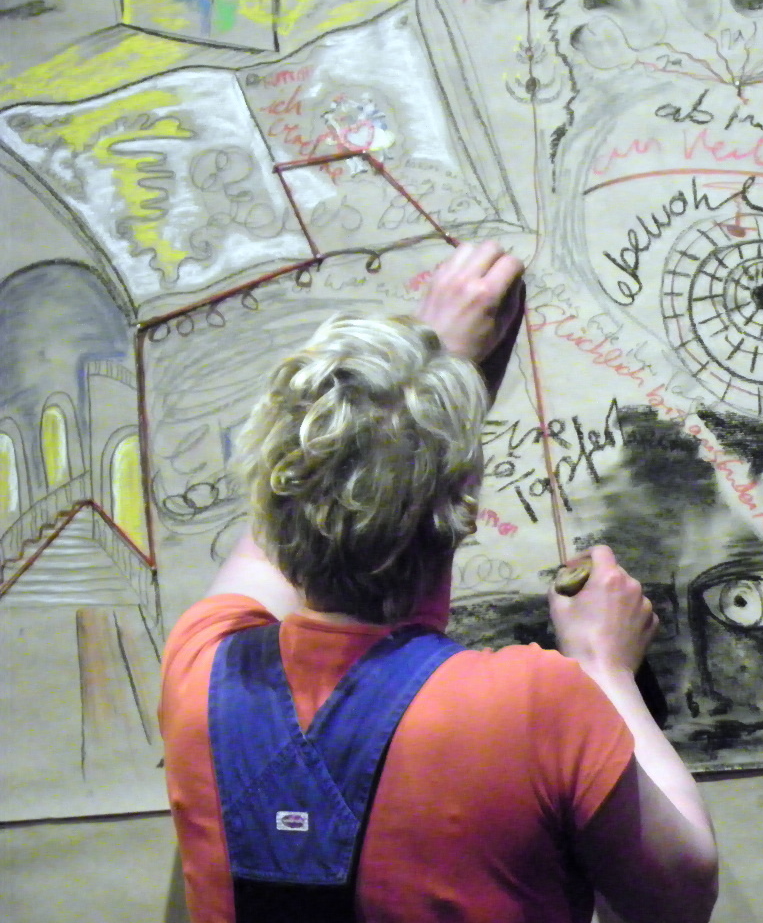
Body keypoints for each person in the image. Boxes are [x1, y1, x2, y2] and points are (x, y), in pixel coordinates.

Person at [159, 241, 719, 923]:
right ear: (462, 505)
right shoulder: (534, 705)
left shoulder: (202, 664)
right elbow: (681, 896)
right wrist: (605, 667)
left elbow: (282, 528)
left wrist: (425, 367)